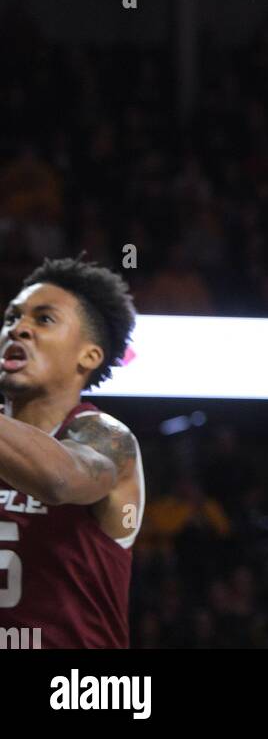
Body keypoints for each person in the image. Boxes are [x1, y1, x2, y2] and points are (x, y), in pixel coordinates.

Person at [0, 255, 141, 648]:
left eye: (43, 320)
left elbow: (58, 480)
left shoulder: (108, 440)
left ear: (89, 355)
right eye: (11, 318)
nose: (19, 329)